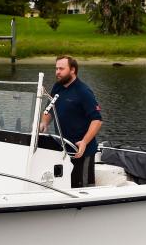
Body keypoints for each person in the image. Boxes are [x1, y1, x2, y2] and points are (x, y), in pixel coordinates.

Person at [40, 55, 102, 188]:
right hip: (62, 149)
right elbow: (49, 109)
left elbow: (97, 120)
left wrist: (84, 142)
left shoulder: (83, 92)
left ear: (72, 70)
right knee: (64, 187)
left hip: (81, 152)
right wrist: (44, 123)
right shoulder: (57, 87)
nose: (57, 72)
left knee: (83, 189)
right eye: (56, 69)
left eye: (61, 69)